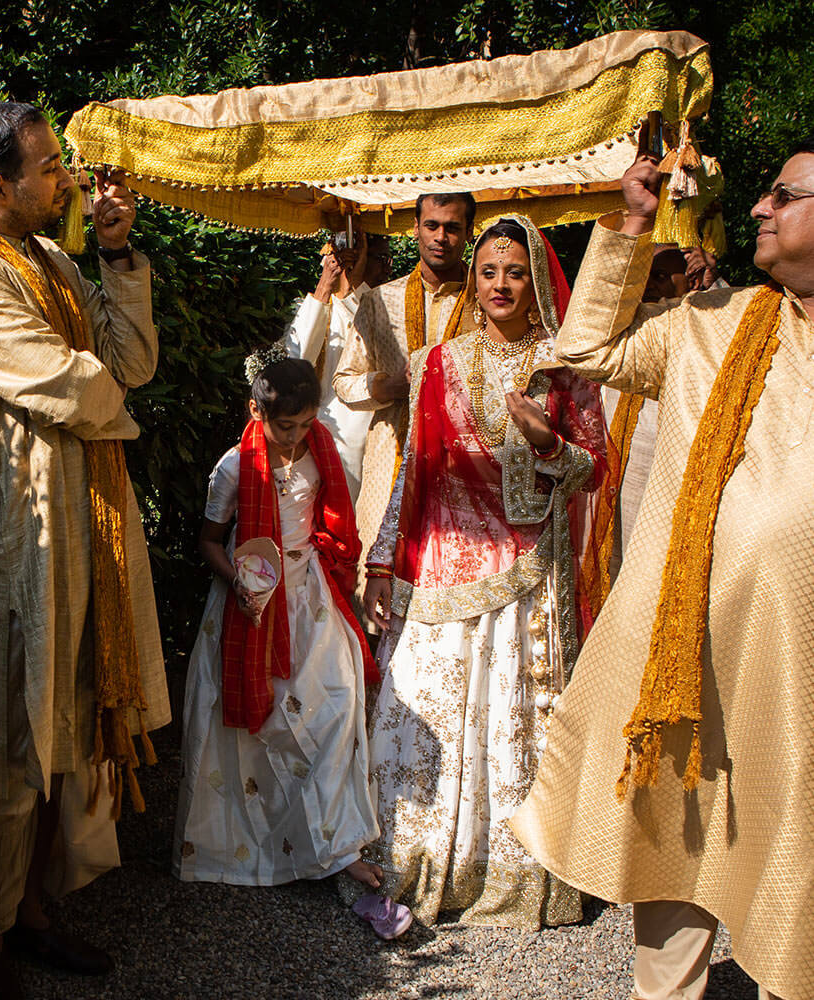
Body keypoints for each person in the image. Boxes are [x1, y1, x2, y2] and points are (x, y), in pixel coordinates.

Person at [511, 144, 814, 1000]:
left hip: (795, 682)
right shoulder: (709, 322)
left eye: (784, 196)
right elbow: (588, 346)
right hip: (687, 672)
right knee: (677, 855)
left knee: (793, 864)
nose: (760, 207)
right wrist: (633, 224)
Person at [0, 101, 171, 999]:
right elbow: (68, 387)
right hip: (12, 546)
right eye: (51, 165)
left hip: (81, 538)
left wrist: (115, 253)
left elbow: (130, 361)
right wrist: (118, 413)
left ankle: (28, 916)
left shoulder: (54, 260)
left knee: (59, 729)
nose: (66, 178)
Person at [360, 215, 607, 929]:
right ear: (474, 278)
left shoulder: (563, 365)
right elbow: (414, 472)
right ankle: (414, 860)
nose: (501, 284)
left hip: (530, 573)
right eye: (490, 271)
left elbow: (592, 470)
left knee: (514, 719)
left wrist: (548, 441)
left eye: (517, 272)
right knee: (430, 711)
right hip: (443, 565)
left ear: (537, 284)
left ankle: (516, 870)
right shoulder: (437, 363)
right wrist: (384, 562)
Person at [173, 352, 410, 937]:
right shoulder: (235, 468)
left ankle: (338, 845)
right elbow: (207, 541)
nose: (296, 438)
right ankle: (280, 846)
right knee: (270, 725)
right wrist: (240, 583)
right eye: (285, 427)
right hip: (253, 602)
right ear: (256, 412)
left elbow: (327, 519)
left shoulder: (318, 450)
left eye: (306, 425)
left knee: (334, 707)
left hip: (310, 598)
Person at [334, 194, 479, 628]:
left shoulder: (484, 299)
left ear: (469, 232)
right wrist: (388, 385)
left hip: (462, 463)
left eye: (453, 227)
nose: (441, 237)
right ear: (414, 227)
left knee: (450, 580)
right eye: (432, 225)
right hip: (389, 458)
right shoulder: (380, 301)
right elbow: (344, 382)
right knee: (372, 589)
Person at [581, 244, 721, 613]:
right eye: (642, 279)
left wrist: (712, 285)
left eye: (660, 277)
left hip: (664, 499)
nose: (649, 288)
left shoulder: (702, 333)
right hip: (609, 495)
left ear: (689, 279)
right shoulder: (620, 335)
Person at [283, 232, 392, 501]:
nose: (387, 268)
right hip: (329, 438)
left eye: (387, 259)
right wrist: (324, 287)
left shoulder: (385, 305)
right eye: (380, 258)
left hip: (378, 434)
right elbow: (295, 362)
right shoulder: (319, 305)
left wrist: (354, 286)